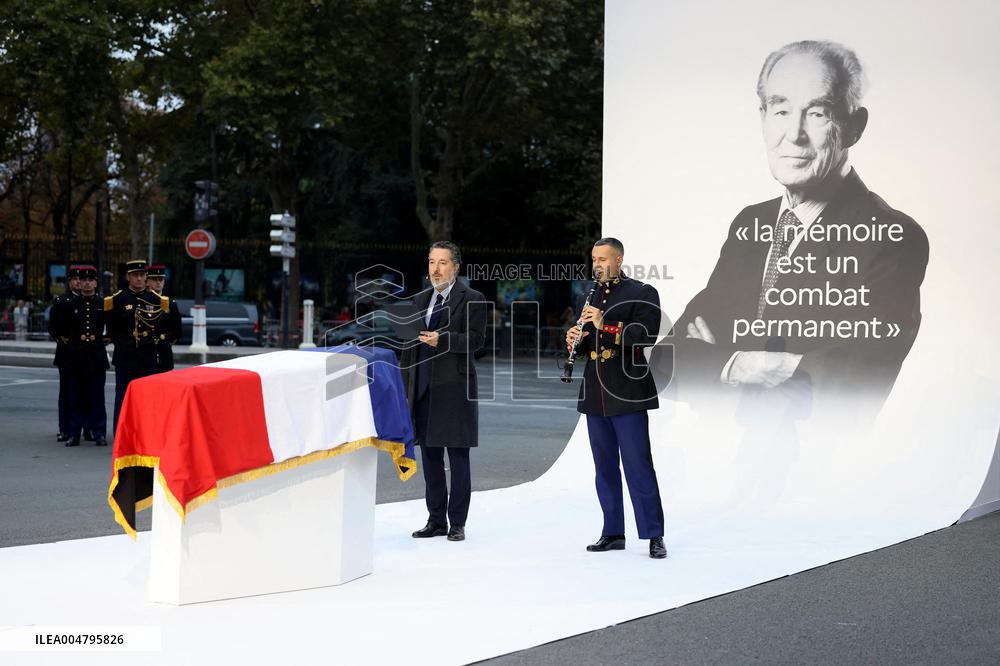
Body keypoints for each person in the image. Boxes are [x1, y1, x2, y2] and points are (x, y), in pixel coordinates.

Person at [662, 40, 929, 424]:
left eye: (818, 113)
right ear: (763, 116)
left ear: (854, 127)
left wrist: (716, 366)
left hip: (816, 456)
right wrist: (746, 366)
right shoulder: (750, 223)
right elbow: (668, 361)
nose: (794, 134)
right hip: (724, 453)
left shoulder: (891, 237)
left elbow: (850, 387)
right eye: (781, 109)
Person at [565, 238, 667, 559]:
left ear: (619, 260)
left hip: (627, 391)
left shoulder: (643, 292)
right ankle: (612, 532)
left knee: (638, 466)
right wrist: (575, 339)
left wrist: (603, 324)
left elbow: (645, 336)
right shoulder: (589, 296)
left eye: (603, 259)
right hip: (595, 392)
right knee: (604, 468)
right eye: (594, 259)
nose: (597, 265)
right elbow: (588, 344)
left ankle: (654, 535)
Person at [400, 241, 487, 542]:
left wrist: (444, 339)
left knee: (458, 458)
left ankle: (457, 523)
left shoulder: (473, 298)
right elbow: (408, 347)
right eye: (431, 262)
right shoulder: (418, 300)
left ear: (456, 267)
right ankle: (435, 520)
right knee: (430, 458)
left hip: (455, 389)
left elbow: (476, 340)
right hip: (423, 389)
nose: (435, 269)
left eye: (442, 263)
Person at [106, 260, 165, 434]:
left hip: (147, 357)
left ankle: (146, 433)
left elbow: (162, 328)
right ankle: (121, 433)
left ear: (146, 277)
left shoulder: (156, 300)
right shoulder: (118, 300)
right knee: (122, 397)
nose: (139, 279)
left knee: (147, 398)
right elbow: (112, 329)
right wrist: (126, 344)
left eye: (141, 275)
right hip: (125, 357)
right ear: (128, 277)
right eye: (135, 275)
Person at [59, 266, 109, 447]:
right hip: (76, 355)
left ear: (96, 283)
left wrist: (104, 341)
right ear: (79, 282)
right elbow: (62, 329)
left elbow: (111, 327)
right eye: (84, 280)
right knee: (75, 397)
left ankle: (99, 432)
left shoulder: (104, 304)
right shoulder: (70, 304)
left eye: (91, 280)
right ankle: (74, 433)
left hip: (96, 354)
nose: (87, 283)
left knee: (97, 397)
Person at [50, 266, 82, 443]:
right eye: (74, 279)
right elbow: (53, 328)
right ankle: (65, 428)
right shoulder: (61, 301)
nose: (78, 282)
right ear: (69, 282)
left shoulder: (90, 300)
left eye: (80, 279)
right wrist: (64, 341)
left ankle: (84, 428)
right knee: (66, 394)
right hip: (67, 353)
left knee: (85, 393)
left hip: (85, 353)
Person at [146, 265, 182, 372]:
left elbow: (177, 331)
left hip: (164, 352)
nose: (158, 283)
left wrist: (166, 342)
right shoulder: (142, 302)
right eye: (154, 279)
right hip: (145, 351)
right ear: (148, 281)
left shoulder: (171, 304)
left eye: (161, 279)